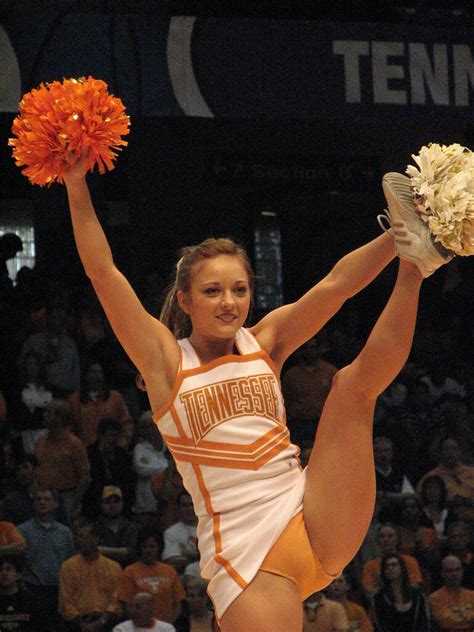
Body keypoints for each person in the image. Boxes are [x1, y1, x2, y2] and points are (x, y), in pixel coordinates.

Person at [63, 154, 455, 631]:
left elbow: (337, 286)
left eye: (240, 290)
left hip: (313, 511)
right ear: (185, 301)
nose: (229, 303)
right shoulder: (166, 363)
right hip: (246, 557)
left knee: (350, 387)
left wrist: (396, 239)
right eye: (212, 292)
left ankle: (417, 260)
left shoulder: (264, 341)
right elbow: (105, 274)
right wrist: (75, 183)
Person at [18, 487, 75, 631]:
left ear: (55, 504)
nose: (42, 502)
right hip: (31, 589)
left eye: (47, 499)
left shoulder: (65, 532)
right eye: (38, 499)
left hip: (58, 591)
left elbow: (70, 561)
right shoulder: (22, 531)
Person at [58, 518, 122, 630]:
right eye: (78, 536)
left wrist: (101, 621)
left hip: (106, 622)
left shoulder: (114, 567)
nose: (80, 541)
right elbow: (65, 603)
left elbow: (116, 601)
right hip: (78, 623)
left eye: (85, 536)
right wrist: (83, 626)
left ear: (96, 539)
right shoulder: (68, 566)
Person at [34, 398, 91, 521]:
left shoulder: (74, 443)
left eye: (49, 412)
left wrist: (73, 504)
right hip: (43, 496)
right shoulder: (41, 441)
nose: (44, 415)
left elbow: (85, 477)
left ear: (59, 418)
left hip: (66, 497)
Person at [118, 528, 185, 625]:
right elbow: (126, 603)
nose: (148, 550)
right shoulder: (130, 572)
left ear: (159, 548)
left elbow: (178, 602)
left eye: (152, 546)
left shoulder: (169, 571)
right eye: (144, 547)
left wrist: (168, 626)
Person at [69, 361, 132, 448]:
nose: (97, 375)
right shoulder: (74, 400)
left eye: (100, 372)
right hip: (85, 450)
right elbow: (70, 427)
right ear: (86, 376)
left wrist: (121, 445)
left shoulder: (115, 397)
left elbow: (126, 423)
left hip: (112, 450)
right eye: (93, 372)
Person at [83, 417, 136, 519]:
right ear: (101, 435)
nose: (113, 440)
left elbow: (129, 481)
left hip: (120, 504)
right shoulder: (88, 454)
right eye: (110, 435)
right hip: (94, 505)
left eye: (116, 436)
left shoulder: (122, 455)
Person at [416, 437, 474, 523]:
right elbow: (419, 502)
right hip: (444, 524)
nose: (450, 453)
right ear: (440, 453)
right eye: (446, 449)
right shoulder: (431, 477)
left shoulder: (471, 472)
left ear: (460, 451)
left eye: (454, 449)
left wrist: (466, 501)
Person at [370, 554, 430, 631]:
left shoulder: (418, 595)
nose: (390, 568)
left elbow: (424, 623)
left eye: (394, 565)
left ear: (402, 568)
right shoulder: (378, 598)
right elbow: (380, 627)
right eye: (386, 567)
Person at [361, 523, 422, 598]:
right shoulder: (370, 565)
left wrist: (382, 582)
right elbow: (369, 592)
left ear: (397, 540)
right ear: (378, 541)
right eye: (382, 536)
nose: (386, 539)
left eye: (390, 536)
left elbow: (415, 587)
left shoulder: (410, 561)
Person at [96, 485, 140, 566]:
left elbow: (134, 553)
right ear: (100, 504)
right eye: (108, 502)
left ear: (122, 503)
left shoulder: (132, 527)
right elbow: (93, 553)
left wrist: (104, 551)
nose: (113, 505)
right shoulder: (94, 528)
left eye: (116, 501)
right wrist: (122, 552)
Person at [428, 554, 474, 631]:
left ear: (462, 572)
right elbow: (448, 623)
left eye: (457, 570)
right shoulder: (435, 598)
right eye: (450, 571)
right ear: (442, 574)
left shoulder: (472, 595)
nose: (454, 574)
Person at [162, 491, 199, 576]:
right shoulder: (171, 533)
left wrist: (188, 556)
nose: (189, 508)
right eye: (185, 505)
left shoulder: (210, 528)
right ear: (178, 508)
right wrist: (200, 556)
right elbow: (172, 562)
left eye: (192, 504)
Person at [0, 555, 40, 631]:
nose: (4, 573)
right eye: (1, 570)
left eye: (8, 569)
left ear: (18, 575)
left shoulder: (30, 600)